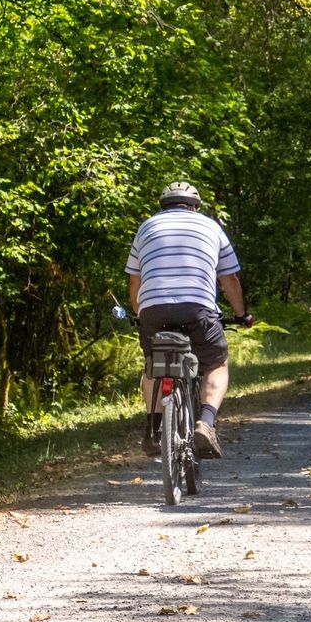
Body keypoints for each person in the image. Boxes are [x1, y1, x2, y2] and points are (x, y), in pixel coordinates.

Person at [125, 181, 250, 459]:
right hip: (197, 308)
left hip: (152, 309)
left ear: (164, 205)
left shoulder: (146, 228)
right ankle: (205, 422)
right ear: (195, 206)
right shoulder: (211, 227)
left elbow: (135, 281)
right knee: (217, 363)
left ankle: (154, 428)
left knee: (153, 366)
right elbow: (229, 278)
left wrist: (139, 313)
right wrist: (241, 315)